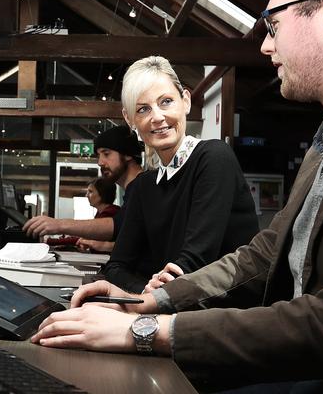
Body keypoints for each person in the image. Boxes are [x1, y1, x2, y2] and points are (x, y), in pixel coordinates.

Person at [31, 0, 323, 393]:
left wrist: (147, 332)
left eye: (274, 23)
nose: (266, 44)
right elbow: (265, 254)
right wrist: (152, 303)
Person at [102, 56, 259, 293]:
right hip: (173, 304)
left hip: (228, 313)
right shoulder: (144, 186)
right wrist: (147, 290)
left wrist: (152, 294)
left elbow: (195, 261)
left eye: (166, 102)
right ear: (130, 119)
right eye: (143, 109)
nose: (157, 117)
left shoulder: (214, 158)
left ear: (185, 101)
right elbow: (116, 267)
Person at [23, 125, 143, 249]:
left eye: (106, 154)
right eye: (99, 156)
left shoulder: (145, 185)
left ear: (128, 154)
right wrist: (104, 246)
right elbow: (136, 240)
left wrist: (59, 224)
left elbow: (117, 226)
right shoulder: (134, 188)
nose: (100, 162)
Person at [75, 177, 120, 253]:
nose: (87, 195)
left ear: (102, 193)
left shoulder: (109, 213)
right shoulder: (101, 212)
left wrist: (49, 240)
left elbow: (88, 235)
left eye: (90, 192)